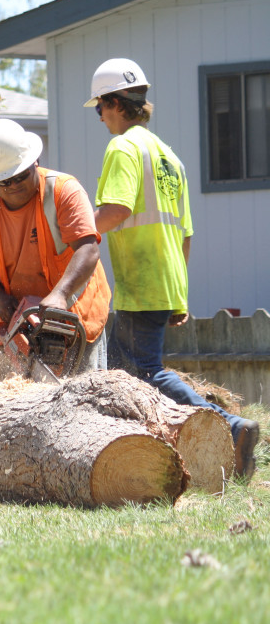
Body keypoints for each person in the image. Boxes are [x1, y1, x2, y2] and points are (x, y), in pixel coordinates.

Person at [86, 57, 259, 477]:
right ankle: (154, 456)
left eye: (99, 108)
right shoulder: (170, 158)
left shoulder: (123, 147)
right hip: (164, 282)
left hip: (140, 283)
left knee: (144, 373)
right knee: (132, 374)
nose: (99, 117)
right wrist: (178, 295)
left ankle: (230, 428)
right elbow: (185, 233)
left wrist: (72, 232)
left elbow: (116, 209)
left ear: (114, 103)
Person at [0, 118, 112, 376]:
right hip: (21, 320)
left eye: (20, 177)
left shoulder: (63, 191)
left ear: (35, 162)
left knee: (82, 401)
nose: (14, 188)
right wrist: (2, 300)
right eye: (5, 182)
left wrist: (60, 294)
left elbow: (88, 249)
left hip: (74, 314)